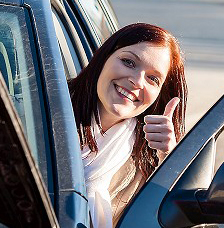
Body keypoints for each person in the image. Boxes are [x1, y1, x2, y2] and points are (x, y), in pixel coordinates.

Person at [68, 23, 187, 227]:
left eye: (152, 78)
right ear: (103, 58)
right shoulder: (38, 111)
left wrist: (169, 160)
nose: (137, 81)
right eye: (129, 62)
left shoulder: (147, 159)